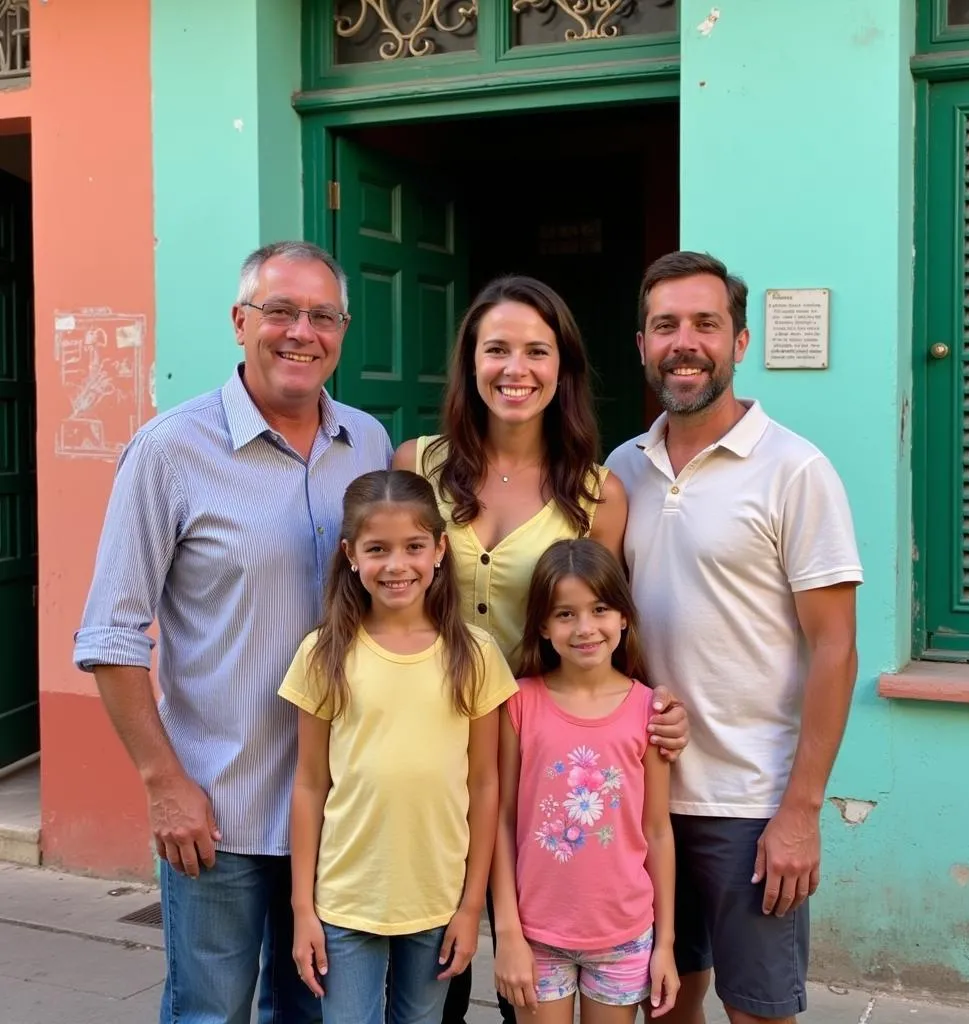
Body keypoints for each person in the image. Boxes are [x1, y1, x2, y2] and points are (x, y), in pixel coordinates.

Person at [72, 241, 392, 1024]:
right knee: (210, 1013)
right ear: (240, 321)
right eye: (280, 310)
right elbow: (110, 636)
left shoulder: (370, 445)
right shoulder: (170, 451)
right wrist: (163, 783)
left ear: (342, 331)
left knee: (316, 1014)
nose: (300, 332)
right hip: (222, 811)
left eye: (322, 315)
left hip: (343, 810)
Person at [393, 275, 690, 1024]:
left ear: (564, 369)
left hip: (534, 763)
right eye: (496, 349)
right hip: (423, 753)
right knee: (427, 982)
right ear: (470, 362)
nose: (514, 368)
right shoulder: (417, 467)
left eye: (536, 350)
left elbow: (600, 627)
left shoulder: (597, 494)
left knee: (530, 966)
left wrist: (655, 712)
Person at [606, 251, 863, 1024]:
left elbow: (836, 650)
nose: (685, 342)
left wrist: (801, 811)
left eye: (706, 324)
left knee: (758, 1009)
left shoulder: (795, 470)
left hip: (751, 803)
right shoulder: (624, 468)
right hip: (644, 791)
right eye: (665, 326)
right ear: (643, 344)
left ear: (740, 342)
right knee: (664, 1002)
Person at [281, 470, 518, 1024]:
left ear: (439, 549)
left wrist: (469, 908)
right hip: (347, 898)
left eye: (414, 547)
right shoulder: (325, 653)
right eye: (377, 550)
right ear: (350, 554)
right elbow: (310, 783)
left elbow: (484, 785)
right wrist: (302, 910)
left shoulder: (475, 654)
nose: (396, 566)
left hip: (437, 900)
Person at [491, 539, 680, 1024]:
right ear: (542, 625)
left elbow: (657, 830)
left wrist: (665, 945)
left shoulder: (648, 711)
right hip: (538, 934)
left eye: (599, 609)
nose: (585, 628)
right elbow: (502, 819)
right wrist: (508, 932)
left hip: (624, 936)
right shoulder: (519, 703)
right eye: (565, 614)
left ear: (623, 617)